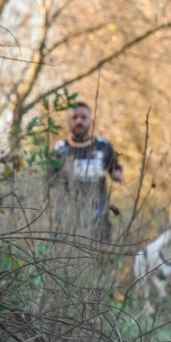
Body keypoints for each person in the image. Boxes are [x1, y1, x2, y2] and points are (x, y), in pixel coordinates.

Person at [51, 101, 124, 244]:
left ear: (91, 120)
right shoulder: (60, 149)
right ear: (68, 121)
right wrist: (64, 172)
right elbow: (49, 181)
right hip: (69, 217)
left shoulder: (104, 146)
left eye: (83, 117)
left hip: (99, 215)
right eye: (75, 117)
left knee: (103, 259)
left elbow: (117, 172)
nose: (79, 121)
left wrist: (118, 175)